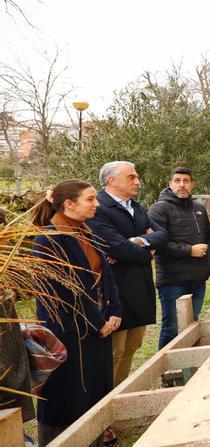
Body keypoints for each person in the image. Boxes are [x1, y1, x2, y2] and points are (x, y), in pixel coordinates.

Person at [31, 180, 122, 446]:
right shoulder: (48, 240)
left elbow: (107, 277)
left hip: (99, 326)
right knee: (67, 394)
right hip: (67, 331)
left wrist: (114, 310)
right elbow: (64, 292)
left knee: (94, 389)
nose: (97, 204)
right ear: (69, 204)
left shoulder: (87, 232)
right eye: (91, 199)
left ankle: (95, 435)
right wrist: (97, 322)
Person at [86, 161, 168, 385]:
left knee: (132, 347)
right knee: (114, 352)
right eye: (131, 177)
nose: (137, 181)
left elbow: (162, 235)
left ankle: (119, 393)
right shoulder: (98, 209)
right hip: (116, 292)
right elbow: (116, 248)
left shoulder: (137, 207)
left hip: (139, 288)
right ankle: (104, 403)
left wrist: (137, 242)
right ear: (112, 181)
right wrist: (147, 249)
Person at [148, 167, 210, 349]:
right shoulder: (158, 209)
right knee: (172, 328)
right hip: (173, 281)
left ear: (192, 184)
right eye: (177, 181)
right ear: (170, 184)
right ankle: (169, 374)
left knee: (192, 325)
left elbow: (209, 238)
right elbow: (156, 244)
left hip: (198, 279)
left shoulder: (199, 208)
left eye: (186, 181)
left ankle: (189, 366)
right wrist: (189, 251)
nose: (182, 185)